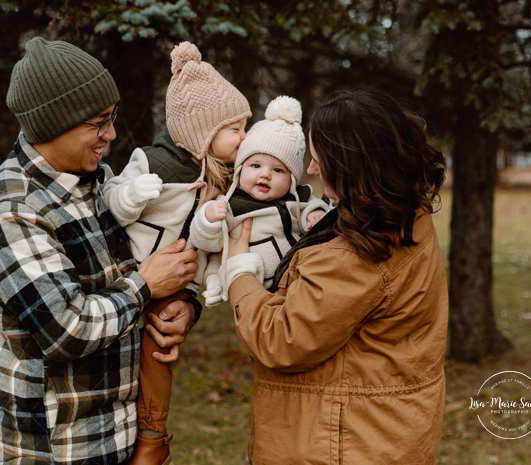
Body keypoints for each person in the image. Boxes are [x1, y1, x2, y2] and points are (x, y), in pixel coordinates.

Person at [0, 37, 200, 465]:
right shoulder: (9, 208)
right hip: (57, 447)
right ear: (54, 124)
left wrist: (183, 303)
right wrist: (146, 285)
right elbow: (68, 329)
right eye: (99, 123)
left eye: (112, 119)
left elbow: (148, 262)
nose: (110, 135)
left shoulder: (100, 183)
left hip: (123, 436)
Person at [224, 87, 448, 464]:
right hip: (386, 431)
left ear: (353, 168)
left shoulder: (357, 255)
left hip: (341, 443)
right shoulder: (408, 212)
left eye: (319, 160)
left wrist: (239, 270)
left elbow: (281, 340)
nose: (310, 170)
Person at [101, 41, 251, 464]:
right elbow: (112, 195)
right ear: (203, 133)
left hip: (173, 282)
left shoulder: (223, 176)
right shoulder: (153, 163)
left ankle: (152, 436)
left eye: (245, 126)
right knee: (144, 346)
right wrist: (131, 196)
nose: (244, 136)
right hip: (131, 268)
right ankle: (143, 433)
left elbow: (207, 238)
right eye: (234, 128)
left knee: (159, 346)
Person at [190, 96, 328, 304]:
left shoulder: (297, 199)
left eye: (278, 170)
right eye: (256, 166)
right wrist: (208, 219)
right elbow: (209, 244)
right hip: (252, 287)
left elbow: (314, 204)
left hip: (293, 284)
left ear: (291, 179)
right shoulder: (228, 204)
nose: (265, 175)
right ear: (240, 169)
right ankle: (215, 283)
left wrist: (315, 212)